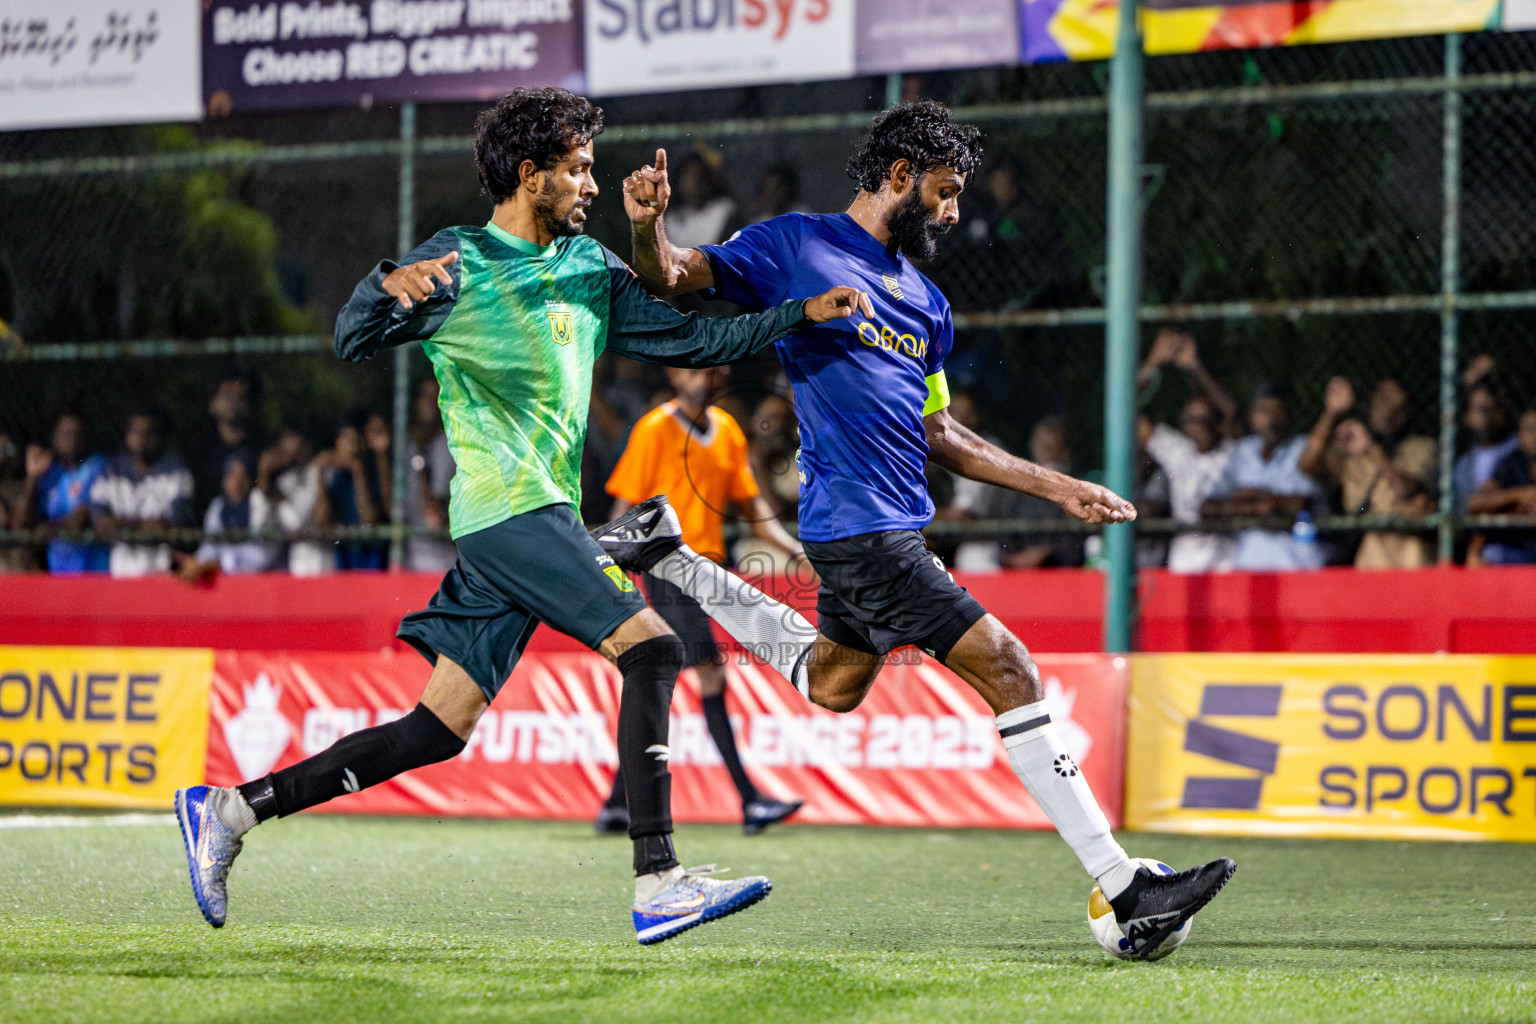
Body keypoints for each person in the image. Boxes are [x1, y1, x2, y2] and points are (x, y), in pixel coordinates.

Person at [172, 86, 875, 947]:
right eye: (577, 170)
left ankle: (231, 810)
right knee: (653, 648)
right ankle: (658, 879)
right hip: (507, 512)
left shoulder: (589, 267)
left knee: (438, 729)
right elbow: (351, 337)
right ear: (530, 174)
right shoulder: (459, 262)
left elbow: (692, 341)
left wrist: (794, 316)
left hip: (531, 520)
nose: (591, 184)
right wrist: (384, 283)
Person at [603, 100, 1234, 957]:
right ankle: (1127, 888)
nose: (953, 212)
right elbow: (673, 276)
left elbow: (943, 436)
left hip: (887, 530)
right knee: (1009, 667)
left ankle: (670, 560)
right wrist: (647, 228)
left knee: (833, 683)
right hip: (863, 531)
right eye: (944, 191)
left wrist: (1059, 488)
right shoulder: (795, 245)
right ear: (899, 177)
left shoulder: (928, 304)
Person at [594, 365, 807, 837]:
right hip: (667, 571)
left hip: (710, 576)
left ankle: (614, 804)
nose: (705, 376)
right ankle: (750, 801)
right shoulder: (654, 428)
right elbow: (621, 514)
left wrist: (796, 551)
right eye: (695, 368)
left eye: (712, 369)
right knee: (708, 675)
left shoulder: (728, 432)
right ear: (672, 374)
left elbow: (756, 516)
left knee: (657, 682)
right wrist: (608, 573)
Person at [1299, 377, 1437, 569]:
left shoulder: (1420, 447)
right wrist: (1331, 413)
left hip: (1407, 550)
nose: (1387, 409)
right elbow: (1307, 465)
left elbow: (1404, 490)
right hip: (1367, 552)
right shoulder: (1352, 452)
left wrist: (1372, 448)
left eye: (1396, 405)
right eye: (1382, 399)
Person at [1137, 329, 1238, 573]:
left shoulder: (1233, 452)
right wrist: (1153, 362)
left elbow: (1232, 412)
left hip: (1227, 565)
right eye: (1192, 419)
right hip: (1184, 565)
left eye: (1205, 418)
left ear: (1217, 422)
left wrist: (1195, 367)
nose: (1199, 423)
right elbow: (1124, 409)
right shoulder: (1178, 449)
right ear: (1183, 424)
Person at [1200, 382, 1324, 571]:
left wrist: (1249, 498)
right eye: (1263, 410)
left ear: (1289, 414)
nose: (1270, 418)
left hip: (1297, 567)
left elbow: (1302, 504)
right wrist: (1262, 504)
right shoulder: (1242, 451)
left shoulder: (1304, 448)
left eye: (1277, 410)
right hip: (1248, 567)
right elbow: (1208, 508)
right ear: (1251, 415)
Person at [90, 408, 196, 578]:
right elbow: (101, 525)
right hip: (120, 573)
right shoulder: (112, 470)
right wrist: (147, 526)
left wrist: (120, 525)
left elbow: (172, 525)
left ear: (160, 437)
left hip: (162, 572)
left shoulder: (177, 471)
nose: (143, 439)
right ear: (127, 434)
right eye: (137, 432)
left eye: (150, 433)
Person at [12, 412, 109, 574]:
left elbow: (79, 520)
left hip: (94, 574)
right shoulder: (51, 474)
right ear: (54, 438)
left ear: (89, 437)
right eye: (65, 433)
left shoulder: (99, 467)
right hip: (59, 574)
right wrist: (32, 478)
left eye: (77, 433)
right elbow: (19, 526)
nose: (72, 439)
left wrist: (41, 529)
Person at [183, 454, 283, 576]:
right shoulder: (218, 506)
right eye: (231, 476)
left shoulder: (260, 504)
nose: (236, 483)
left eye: (241, 477)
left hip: (265, 583)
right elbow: (210, 546)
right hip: (229, 582)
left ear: (250, 479)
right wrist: (197, 561)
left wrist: (217, 563)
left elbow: (261, 557)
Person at [314, 410, 389, 570]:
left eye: (357, 440)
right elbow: (322, 521)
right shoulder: (333, 475)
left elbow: (369, 520)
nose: (352, 445)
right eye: (347, 439)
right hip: (343, 561)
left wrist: (358, 473)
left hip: (372, 562)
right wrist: (320, 475)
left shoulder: (373, 473)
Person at [256, 421, 329, 576]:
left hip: (322, 563)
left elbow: (297, 522)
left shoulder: (321, 473)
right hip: (297, 565)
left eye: (291, 440)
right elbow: (260, 528)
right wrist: (264, 477)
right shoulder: (285, 480)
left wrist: (277, 498)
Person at [1466, 407, 1536, 565]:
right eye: (1530, 429)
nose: (1535, 436)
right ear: (1519, 434)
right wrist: (1520, 496)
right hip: (1515, 551)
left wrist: (1512, 506)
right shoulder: (1512, 463)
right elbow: (1477, 503)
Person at [404, 377, 458, 573]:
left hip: (440, 559)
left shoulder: (447, 443)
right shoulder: (409, 442)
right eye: (424, 395)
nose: (428, 401)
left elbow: (434, 514)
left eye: (434, 395)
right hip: (411, 555)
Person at [194, 370, 266, 512]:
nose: (233, 402)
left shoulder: (266, 447)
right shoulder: (199, 452)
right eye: (227, 395)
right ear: (213, 404)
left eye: (241, 396)